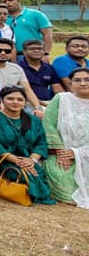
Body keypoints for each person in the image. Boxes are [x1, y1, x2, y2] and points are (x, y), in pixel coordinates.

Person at [0, 86, 55, 205]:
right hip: (2, 160)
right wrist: (17, 160)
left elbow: (41, 143)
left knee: (36, 173)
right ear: (1, 100)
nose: (15, 102)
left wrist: (32, 160)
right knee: (24, 175)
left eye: (19, 99)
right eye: (10, 98)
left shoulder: (33, 120)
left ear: (25, 102)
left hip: (28, 159)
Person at [43, 67, 89, 207]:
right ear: (70, 83)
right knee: (62, 180)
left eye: (87, 79)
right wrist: (61, 152)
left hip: (86, 153)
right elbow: (49, 124)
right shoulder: (62, 99)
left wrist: (77, 153)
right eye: (77, 80)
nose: (82, 83)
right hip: (60, 153)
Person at [0, 38, 43, 113]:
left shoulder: (16, 68)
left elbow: (27, 90)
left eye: (7, 51)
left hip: (17, 104)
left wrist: (37, 107)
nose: (3, 53)